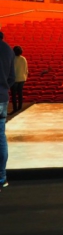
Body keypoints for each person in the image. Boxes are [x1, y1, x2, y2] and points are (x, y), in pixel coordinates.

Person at [0, 32, 15, 191]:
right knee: (0, 138)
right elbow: (12, 77)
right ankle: (1, 177)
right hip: (2, 98)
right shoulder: (8, 49)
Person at [10, 45, 28, 114]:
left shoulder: (12, 59)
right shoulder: (23, 59)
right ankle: (20, 107)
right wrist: (25, 77)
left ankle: (15, 109)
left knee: (14, 94)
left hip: (14, 79)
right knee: (20, 93)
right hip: (22, 78)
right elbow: (26, 69)